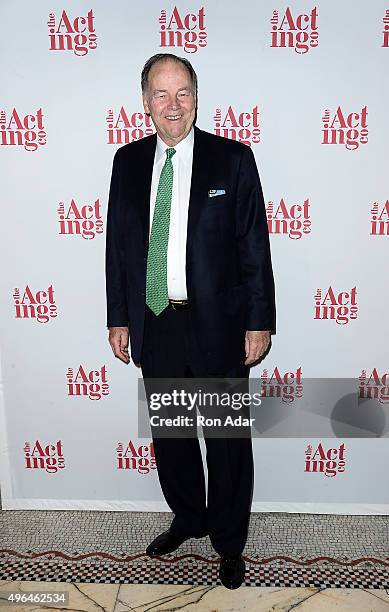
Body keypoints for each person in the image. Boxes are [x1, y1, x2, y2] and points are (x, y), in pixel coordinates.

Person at [105, 53, 276, 589]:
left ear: (196, 97)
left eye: (183, 93)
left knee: (225, 441)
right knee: (172, 436)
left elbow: (254, 245)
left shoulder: (233, 159)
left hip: (220, 326)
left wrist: (259, 319)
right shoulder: (127, 162)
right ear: (145, 102)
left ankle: (228, 541)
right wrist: (118, 318)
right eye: (161, 94)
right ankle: (189, 516)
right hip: (155, 323)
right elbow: (119, 248)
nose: (173, 105)